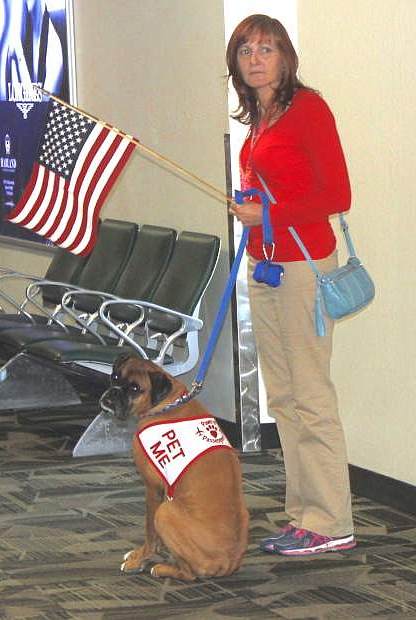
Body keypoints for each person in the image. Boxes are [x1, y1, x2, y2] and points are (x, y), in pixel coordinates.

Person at [226, 14, 356, 556]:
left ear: (285, 57)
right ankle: (304, 516)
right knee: (283, 396)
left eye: (267, 49)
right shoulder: (259, 118)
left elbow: (338, 195)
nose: (255, 59)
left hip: (303, 267)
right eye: (246, 50)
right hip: (266, 265)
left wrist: (268, 216)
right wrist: (256, 217)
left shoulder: (308, 110)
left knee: (311, 395)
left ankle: (332, 523)